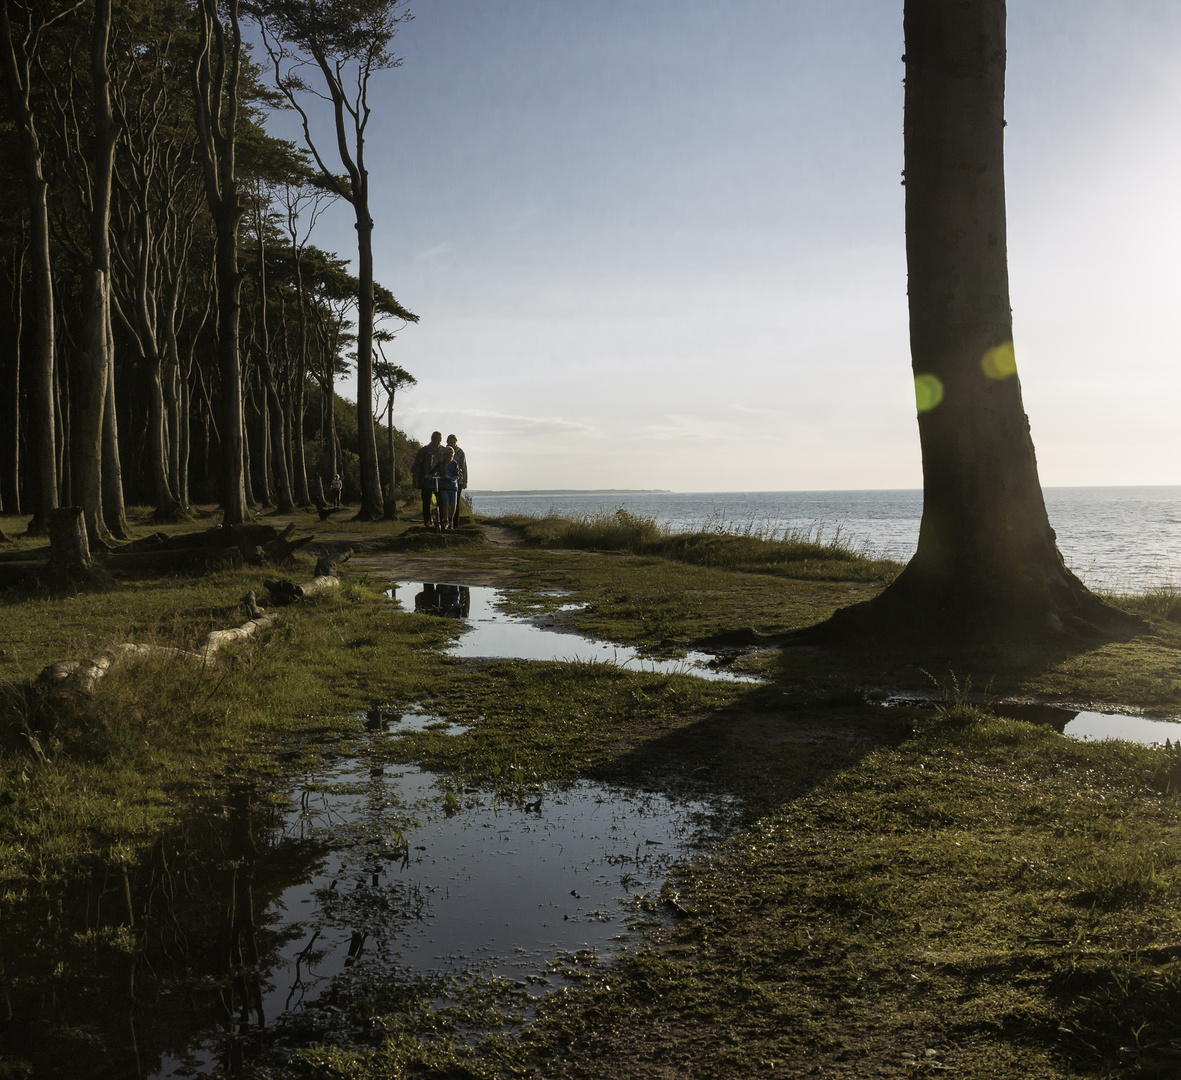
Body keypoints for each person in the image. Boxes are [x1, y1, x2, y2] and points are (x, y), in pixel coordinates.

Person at [411, 431, 445, 527]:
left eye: (440, 440)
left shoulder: (443, 451)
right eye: (436, 439)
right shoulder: (424, 451)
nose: (438, 442)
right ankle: (428, 521)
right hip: (426, 481)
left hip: (439, 481)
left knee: (440, 501)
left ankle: (441, 521)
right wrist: (416, 480)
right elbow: (416, 466)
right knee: (426, 502)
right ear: (432, 439)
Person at [430, 447, 461, 530]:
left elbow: (456, 476)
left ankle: (451, 520)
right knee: (445, 503)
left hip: (453, 486)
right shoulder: (440, 464)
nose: (449, 457)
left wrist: (449, 477)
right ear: (444, 455)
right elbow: (433, 471)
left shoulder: (455, 464)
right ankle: (445, 521)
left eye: (451, 455)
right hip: (443, 486)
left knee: (453, 505)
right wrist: (429, 476)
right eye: (447, 455)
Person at [446, 434, 467, 522]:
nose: (452, 444)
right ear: (447, 442)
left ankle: (455, 522)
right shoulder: (444, 451)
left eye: (454, 442)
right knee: (445, 501)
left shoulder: (460, 452)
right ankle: (445, 520)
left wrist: (465, 481)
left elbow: (464, 467)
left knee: (455, 502)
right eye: (451, 442)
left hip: (458, 480)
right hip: (445, 480)